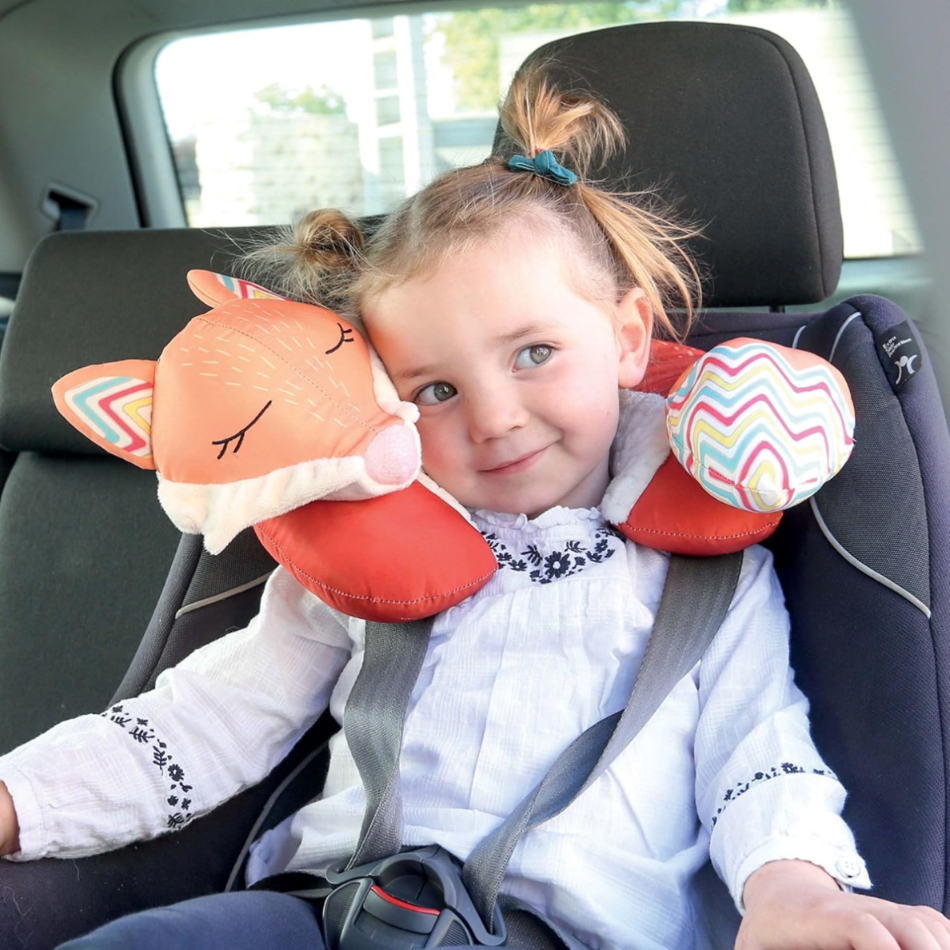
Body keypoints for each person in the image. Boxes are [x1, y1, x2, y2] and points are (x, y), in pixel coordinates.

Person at [1, 62, 949, 950]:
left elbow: (761, 759)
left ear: (627, 338)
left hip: (573, 931)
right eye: (437, 390)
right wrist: (21, 800)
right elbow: (210, 719)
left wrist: (794, 892)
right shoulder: (362, 551)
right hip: (328, 910)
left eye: (535, 353)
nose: (494, 419)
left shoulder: (712, 579)